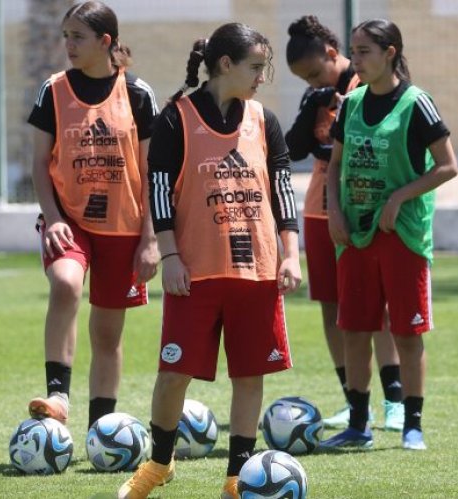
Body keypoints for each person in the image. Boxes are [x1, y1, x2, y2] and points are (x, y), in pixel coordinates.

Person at [117, 22, 301, 499]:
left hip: (256, 270)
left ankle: (237, 477)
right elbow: (157, 189)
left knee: (249, 374)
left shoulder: (265, 120)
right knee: (173, 373)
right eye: (256, 67)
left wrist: (290, 253)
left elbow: (282, 190)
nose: (263, 77)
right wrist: (169, 252)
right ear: (225, 65)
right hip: (193, 272)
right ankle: (159, 464)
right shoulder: (176, 118)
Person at [321, 19, 458, 451]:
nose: (355, 59)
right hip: (357, 234)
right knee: (355, 330)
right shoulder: (351, 103)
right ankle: (359, 425)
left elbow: (447, 166)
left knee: (405, 332)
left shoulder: (418, 103)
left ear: (390, 53)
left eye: (364, 51)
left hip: (403, 236)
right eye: (354, 51)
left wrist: (399, 197)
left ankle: (412, 425)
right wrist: (335, 214)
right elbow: (336, 167)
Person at [26, 1, 159, 429]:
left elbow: (154, 172)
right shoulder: (54, 89)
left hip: (125, 225)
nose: (68, 44)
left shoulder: (137, 93)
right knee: (65, 283)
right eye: (65, 36)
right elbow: (38, 165)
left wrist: (151, 239)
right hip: (69, 219)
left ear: (105, 41)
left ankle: (102, 428)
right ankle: (57, 395)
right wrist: (53, 217)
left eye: (77, 36)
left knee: (106, 334)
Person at [284, 15, 405, 432]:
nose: (311, 81)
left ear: (333, 54)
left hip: (363, 208)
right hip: (321, 210)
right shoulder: (317, 95)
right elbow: (297, 147)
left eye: (316, 72)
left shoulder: (368, 85)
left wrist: (330, 109)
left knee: (377, 309)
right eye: (304, 79)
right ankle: (356, 401)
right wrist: (316, 100)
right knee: (333, 306)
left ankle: (395, 399)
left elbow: (357, 142)